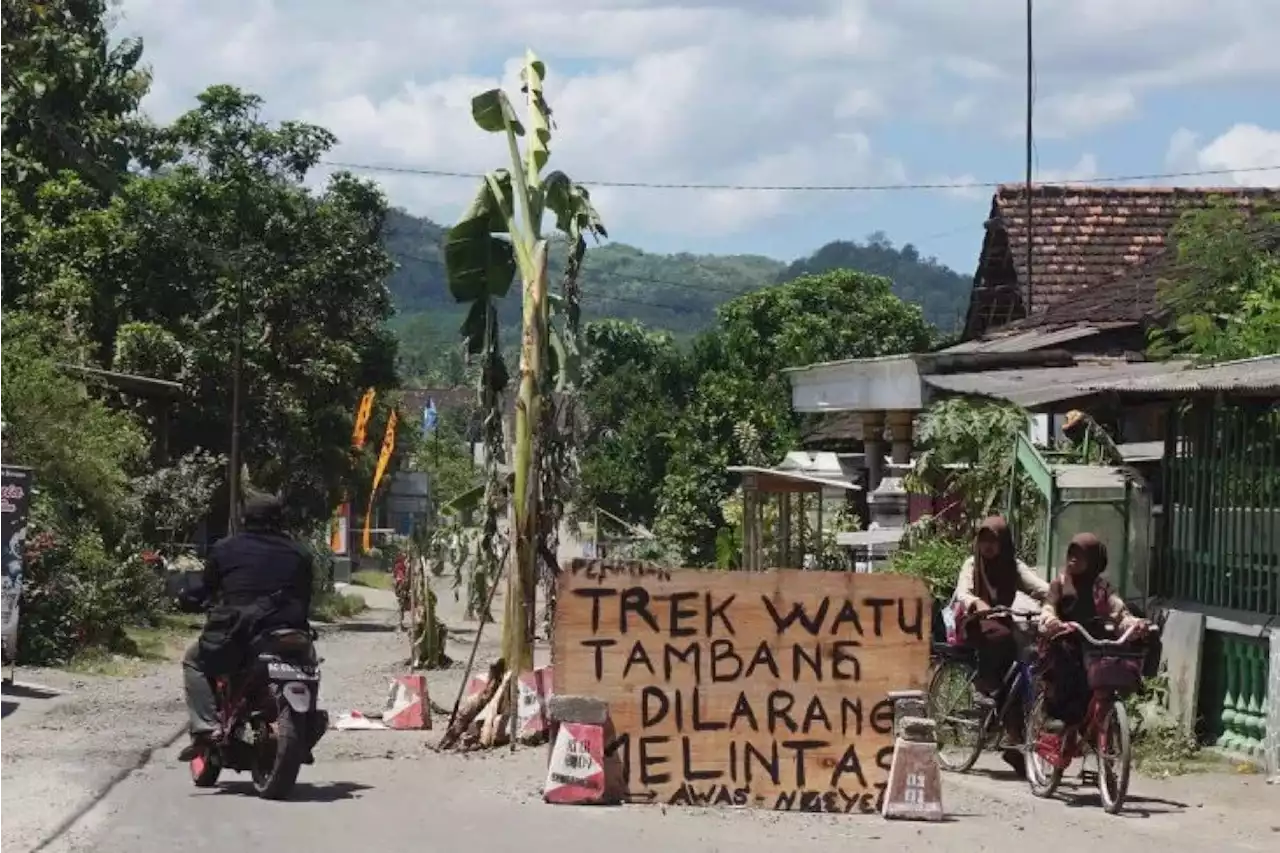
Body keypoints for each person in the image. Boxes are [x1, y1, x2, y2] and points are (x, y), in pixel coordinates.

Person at [177, 493, 315, 761]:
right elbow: (306, 596)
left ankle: (206, 728)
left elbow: (207, 589)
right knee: (310, 668)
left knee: (194, 661)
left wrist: (186, 598)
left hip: (242, 633)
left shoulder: (226, 549)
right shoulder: (301, 553)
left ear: (245, 519)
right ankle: (308, 727)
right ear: (280, 520)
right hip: (291, 631)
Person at [952, 516, 1050, 775]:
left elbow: (1038, 587)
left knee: (1021, 671)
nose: (987, 546)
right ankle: (986, 686)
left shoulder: (1013, 567)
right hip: (974, 622)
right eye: (983, 540)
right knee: (1001, 640)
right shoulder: (972, 564)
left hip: (1003, 622)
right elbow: (963, 592)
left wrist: (1057, 599)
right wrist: (976, 603)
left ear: (1003, 543)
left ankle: (1014, 740)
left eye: (993, 541)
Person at [1038, 533, 1148, 731]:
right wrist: (1052, 621)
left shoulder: (1102, 588)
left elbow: (1119, 612)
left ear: (1093, 560)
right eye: (1071, 552)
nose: (1073, 558)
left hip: (1094, 643)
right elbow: (1048, 606)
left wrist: (1134, 624)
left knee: (1114, 663)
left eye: (1080, 555)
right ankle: (1057, 717)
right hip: (1065, 640)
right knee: (1067, 663)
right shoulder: (1060, 584)